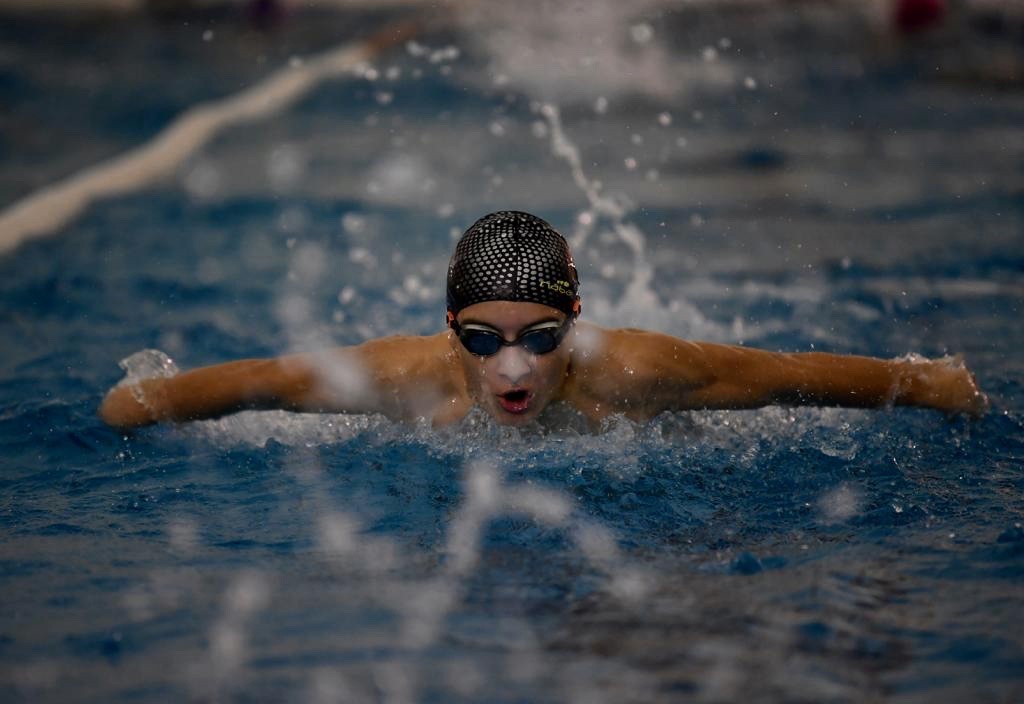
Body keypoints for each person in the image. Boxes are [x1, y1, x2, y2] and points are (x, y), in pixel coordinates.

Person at [99, 210, 988, 430]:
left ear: (578, 323)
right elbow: (267, 382)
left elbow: (785, 374)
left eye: (541, 339)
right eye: (482, 341)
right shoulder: (404, 378)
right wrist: (145, 402)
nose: (512, 371)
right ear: (449, 328)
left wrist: (929, 384)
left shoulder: (637, 372)